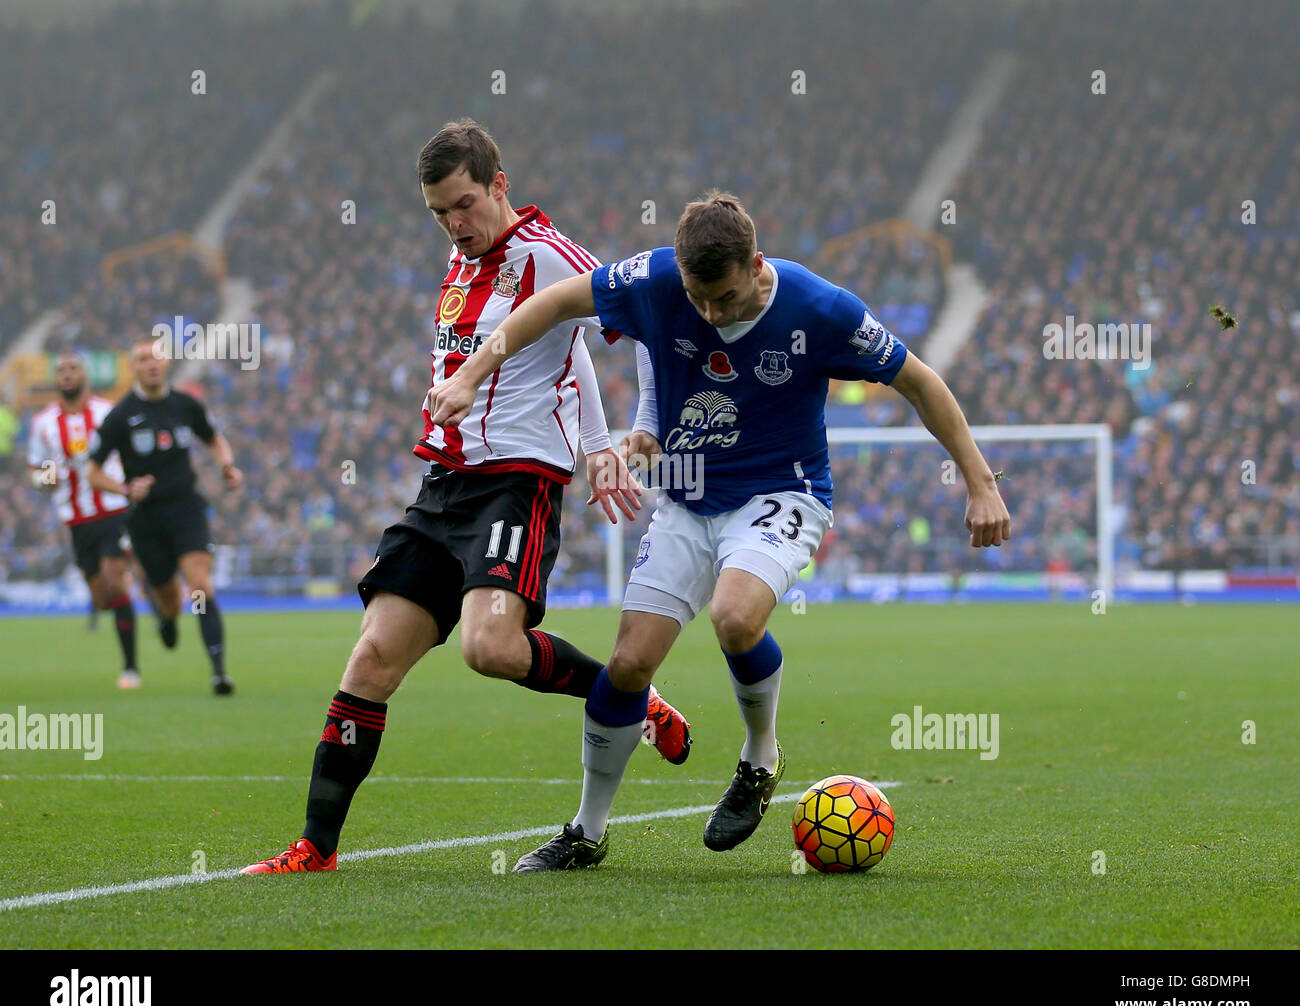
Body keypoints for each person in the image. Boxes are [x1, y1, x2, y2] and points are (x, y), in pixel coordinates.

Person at [428, 191, 1012, 871]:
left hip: (782, 491)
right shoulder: (655, 277)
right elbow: (552, 303)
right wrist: (471, 376)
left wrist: (979, 482)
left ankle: (760, 758)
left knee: (734, 616)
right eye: (697, 299)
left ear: (756, 265)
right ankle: (587, 831)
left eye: (725, 298)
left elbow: (920, 382)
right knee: (628, 664)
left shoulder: (819, 308)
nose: (710, 313)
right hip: (686, 499)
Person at [241, 119, 690, 875]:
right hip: (444, 484)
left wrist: (611, 441)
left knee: (490, 649)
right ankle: (316, 847)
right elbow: (567, 347)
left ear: (499, 184)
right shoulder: (460, 259)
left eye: (464, 203)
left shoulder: (547, 253)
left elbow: (639, 318)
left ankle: (629, 695)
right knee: (371, 658)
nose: (454, 222)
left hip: (516, 483)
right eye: (439, 212)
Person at [87, 339, 243, 695]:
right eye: (143, 359)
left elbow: (214, 440)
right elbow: (92, 472)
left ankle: (219, 673)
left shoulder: (186, 405)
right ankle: (168, 619)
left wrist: (227, 466)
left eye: (156, 357)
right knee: (170, 599)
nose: (151, 364)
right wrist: (125, 489)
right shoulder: (121, 415)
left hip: (186, 509)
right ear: (133, 368)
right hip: (146, 520)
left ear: (167, 363)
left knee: (200, 586)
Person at [27, 352, 139, 689]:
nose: (67, 374)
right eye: (61, 370)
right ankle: (140, 587)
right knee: (102, 597)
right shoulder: (44, 423)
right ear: (55, 378)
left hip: (113, 508)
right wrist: (45, 479)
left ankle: (130, 669)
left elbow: (129, 452)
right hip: (75, 518)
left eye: (73, 368)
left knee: (114, 580)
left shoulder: (107, 412)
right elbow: (38, 468)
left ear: (85, 376)